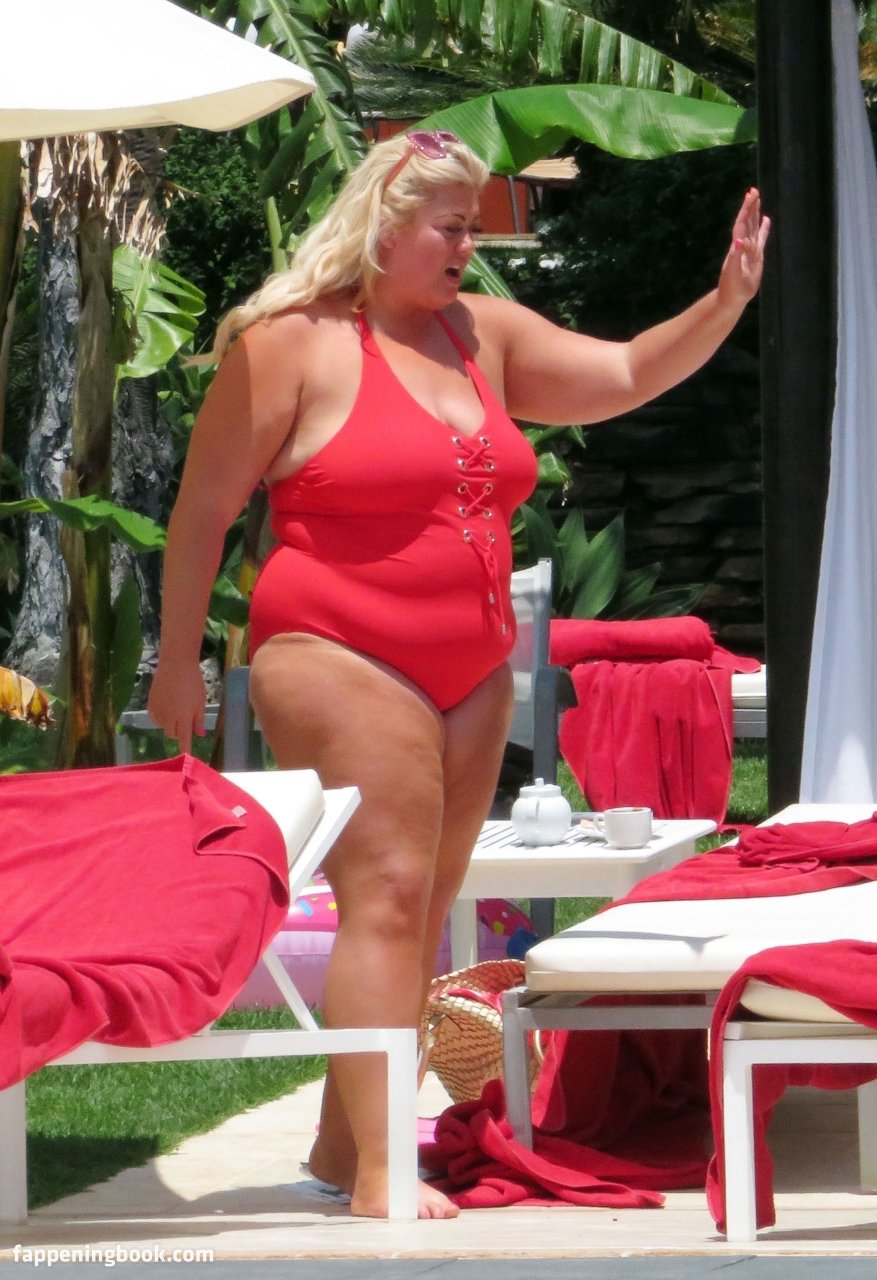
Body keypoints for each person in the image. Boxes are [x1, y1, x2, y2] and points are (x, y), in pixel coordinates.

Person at [147, 129, 770, 1220]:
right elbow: (201, 514)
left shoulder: (482, 333)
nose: (466, 248)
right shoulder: (290, 343)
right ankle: (383, 1172)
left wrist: (724, 302)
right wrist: (178, 664)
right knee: (387, 896)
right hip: (335, 650)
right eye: (449, 227)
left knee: (423, 908)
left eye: (473, 227)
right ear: (383, 227)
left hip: (470, 669)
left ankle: (341, 1148)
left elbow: (626, 373)